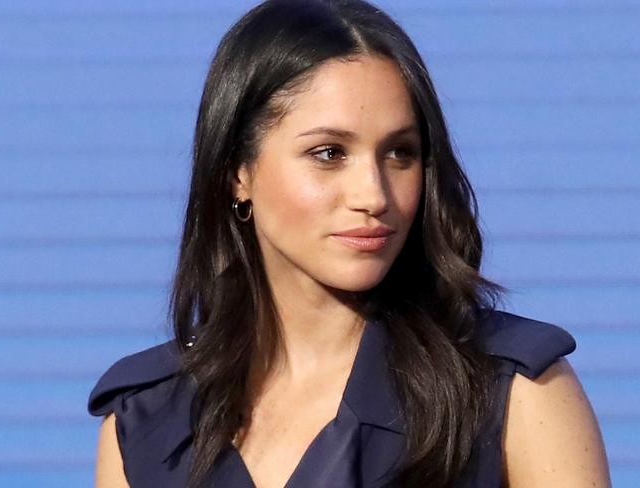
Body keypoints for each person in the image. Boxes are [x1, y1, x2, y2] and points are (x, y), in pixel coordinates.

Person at [88, 0, 611, 486]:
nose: (374, 194)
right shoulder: (146, 419)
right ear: (238, 174)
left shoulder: (515, 390)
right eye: (329, 153)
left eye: (399, 153)